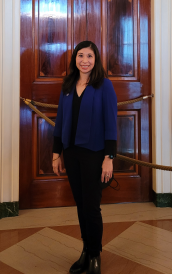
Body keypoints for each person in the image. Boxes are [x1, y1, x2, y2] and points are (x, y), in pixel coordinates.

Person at [52, 41, 117, 274]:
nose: (85, 60)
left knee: (91, 207)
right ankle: (85, 250)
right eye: (81, 55)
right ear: (75, 59)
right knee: (80, 205)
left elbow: (111, 123)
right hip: (71, 153)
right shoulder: (68, 84)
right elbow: (60, 121)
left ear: (96, 59)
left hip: (95, 155)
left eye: (90, 56)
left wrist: (109, 157)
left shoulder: (104, 86)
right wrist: (56, 153)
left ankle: (95, 255)